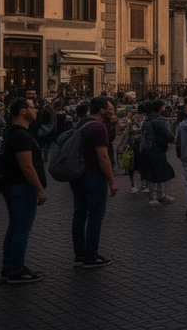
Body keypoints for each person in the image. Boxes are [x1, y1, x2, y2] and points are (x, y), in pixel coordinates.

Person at [0, 98, 47, 284]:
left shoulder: (13, 132)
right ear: (22, 111)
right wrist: (39, 189)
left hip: (11, 185)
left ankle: (9, 266)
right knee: (22, 229)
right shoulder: (20, 135)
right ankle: (16, 270)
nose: (35, 110)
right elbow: (27, 166)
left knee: (14, 226)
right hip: (22, 185)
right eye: (32, 107)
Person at [71, 97, 119, 269]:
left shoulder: (82, 123)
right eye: (110, 109)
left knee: (79, 215)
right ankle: (91, 256)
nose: (113, 111)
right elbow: (103, 157)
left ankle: (80, 254)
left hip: (78, 176)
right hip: (94, 176)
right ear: (101, 110)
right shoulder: (99, 128)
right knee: (95, 215)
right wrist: (112, 180)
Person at [139, 100, 176, 205]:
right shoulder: (159, 120)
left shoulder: (147, 119)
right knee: (159, 172)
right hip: (157, 148)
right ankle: (157, 196)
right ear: (160, 108)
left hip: (146, 148)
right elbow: (168, 134)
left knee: (152, 172)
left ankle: (156, 196)